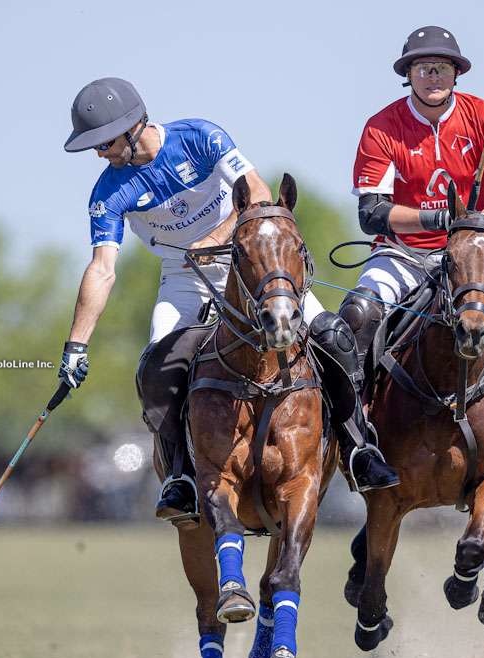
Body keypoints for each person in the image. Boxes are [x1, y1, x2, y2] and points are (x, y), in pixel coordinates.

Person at [58, 77, 398, 529]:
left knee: (332, 336)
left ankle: (359, 447)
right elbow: (102, 268)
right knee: (157, 371)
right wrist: (76, 345)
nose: (99, 153)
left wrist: (213, 240)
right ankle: (179, 476)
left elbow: (256, 191)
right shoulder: (108, 193)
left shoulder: (200, 137)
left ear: (134, 124)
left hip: (252, 262)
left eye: (103, 142)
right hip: (184, 279)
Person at [341, 27, 484, 481]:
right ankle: (356, 437)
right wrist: (437, 220)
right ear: (409, 75)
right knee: (358, 317)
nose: (433, 75)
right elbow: (373, 213)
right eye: (423, 68)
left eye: (442, 67)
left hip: (474, 258)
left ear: (456, 73)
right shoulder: (383, 127)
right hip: (403, 256)